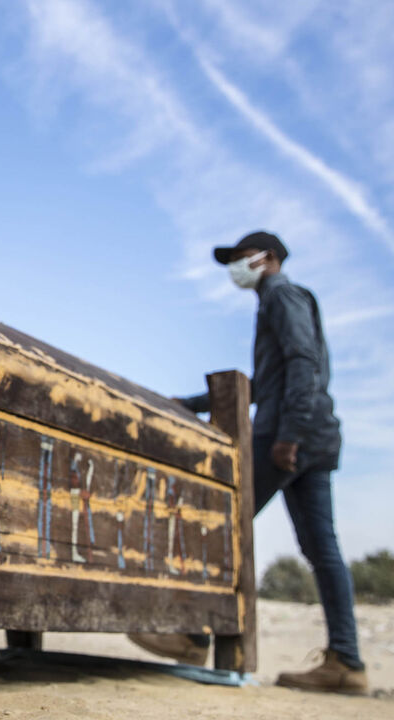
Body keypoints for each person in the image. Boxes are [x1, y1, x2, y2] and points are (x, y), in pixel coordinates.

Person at [130, 231, 365, 695]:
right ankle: (346, 662)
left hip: (290, 435)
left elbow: (303, 362)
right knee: (322, 549)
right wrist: (196, 402)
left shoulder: (281, 295)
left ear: (268, 258)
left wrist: (289, 435)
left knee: (224, 523)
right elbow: (268, 382)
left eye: (241, 258)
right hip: (312, 434)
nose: (236, 268)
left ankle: (191, 636)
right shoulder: (277, 301)